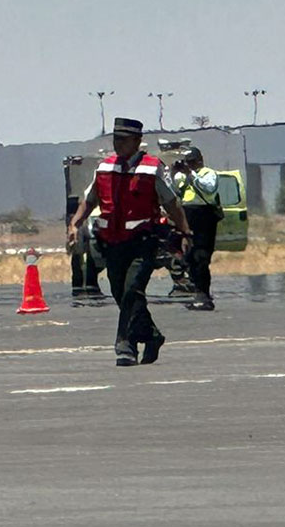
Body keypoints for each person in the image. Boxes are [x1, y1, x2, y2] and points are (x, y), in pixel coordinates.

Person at [67, 118, 193, 367]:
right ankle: (152, 336)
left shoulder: (152, 168)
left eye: (123, 140)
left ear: (137, 141)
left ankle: (125, 346)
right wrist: (75, 224)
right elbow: (89, 200)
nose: (118, 144)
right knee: (119, 292)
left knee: (132, 289)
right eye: (115, 139)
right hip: (112, 243)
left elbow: (171, 203)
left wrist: (185, 232)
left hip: (142, 241)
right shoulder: (105, 168)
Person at [173, 146, 221, 311]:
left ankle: (204, 295)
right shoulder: (184, 176)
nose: (190, 165)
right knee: (189, 257)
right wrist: (173, 173)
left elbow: (209, 188)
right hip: (188, 216)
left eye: (192, 162)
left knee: (201, 256)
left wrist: (190, 174)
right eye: (187, 163)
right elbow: (173, 191)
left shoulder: (208, 173)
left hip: (204, 216)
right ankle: (196, 290)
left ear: (199, 160)